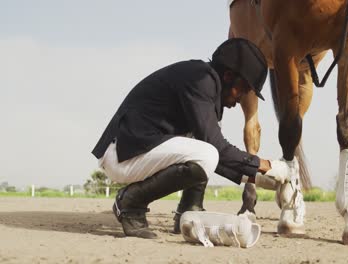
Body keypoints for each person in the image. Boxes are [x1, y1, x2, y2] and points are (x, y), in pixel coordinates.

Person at [91, 38, 297, 239]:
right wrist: (269, 165)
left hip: (137, 150)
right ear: (227, 76)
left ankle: (188, 210)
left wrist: (261, 178)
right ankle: (130, 204)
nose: (241, 98)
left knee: (204, 150)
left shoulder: (206, 84)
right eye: (242, 89)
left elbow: (217, 159)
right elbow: (216, 149)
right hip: (123, 153)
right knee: (206, 151)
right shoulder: (202, 80)